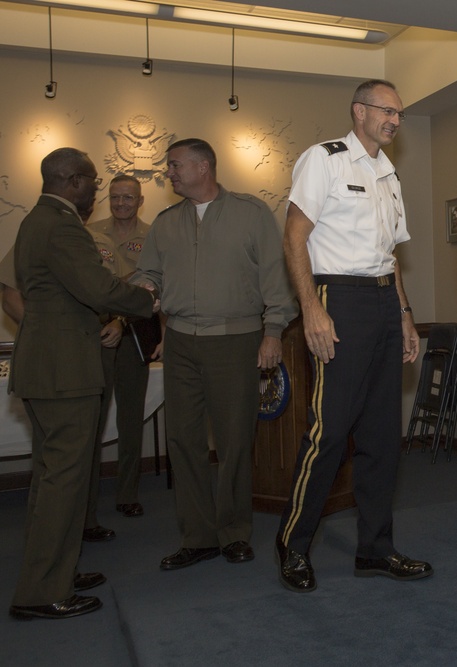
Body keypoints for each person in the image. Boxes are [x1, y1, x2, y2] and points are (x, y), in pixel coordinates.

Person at [275, 79, 431, 593]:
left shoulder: (389, 174)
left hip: (384, 301)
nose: (395, 120)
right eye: (387, 110)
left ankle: (376, 548)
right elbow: (294, 235)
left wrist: (405, 314)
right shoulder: (325, 159)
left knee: (384, 435)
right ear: (359, 111)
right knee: (331, 430)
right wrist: (311, 310)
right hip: (338, 300)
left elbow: (391, 256)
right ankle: (293, 545)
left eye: (400, 113)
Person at [133, 138, 297, 570]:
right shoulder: (166, 222)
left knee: (234, 441)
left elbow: (276, 277)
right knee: (182, 442)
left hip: (236, 339)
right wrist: (144, 291)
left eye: (175, 165)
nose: (168, 172)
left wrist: (273, 332)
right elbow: (147, 272)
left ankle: (233, 532)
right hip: (181, 342)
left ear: (204, 166)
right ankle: (198, 536)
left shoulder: (251, 212)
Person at [7, 147, 157, 620]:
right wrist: (148, 300)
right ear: (72, 180)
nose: (97, 190)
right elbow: (97, 287)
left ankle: (56, 572)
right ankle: (40, 593)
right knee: (62, 483)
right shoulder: (62, 225)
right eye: (93, 181)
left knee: (53, 480)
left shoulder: (35, 221)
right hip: (64, 372)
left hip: (48, 368)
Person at [80, 175, 153, 549]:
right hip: (94, 336)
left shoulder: (154, 235)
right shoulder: (89, 233)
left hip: (133, 337)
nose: (121, 202)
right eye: (115, 197)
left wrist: (126, 321)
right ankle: (85, 506)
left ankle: (127, 494)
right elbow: (89, 284)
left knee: (130, 418)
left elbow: (159, 287)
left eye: (128, 198)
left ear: (140, 201)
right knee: (89, 422)